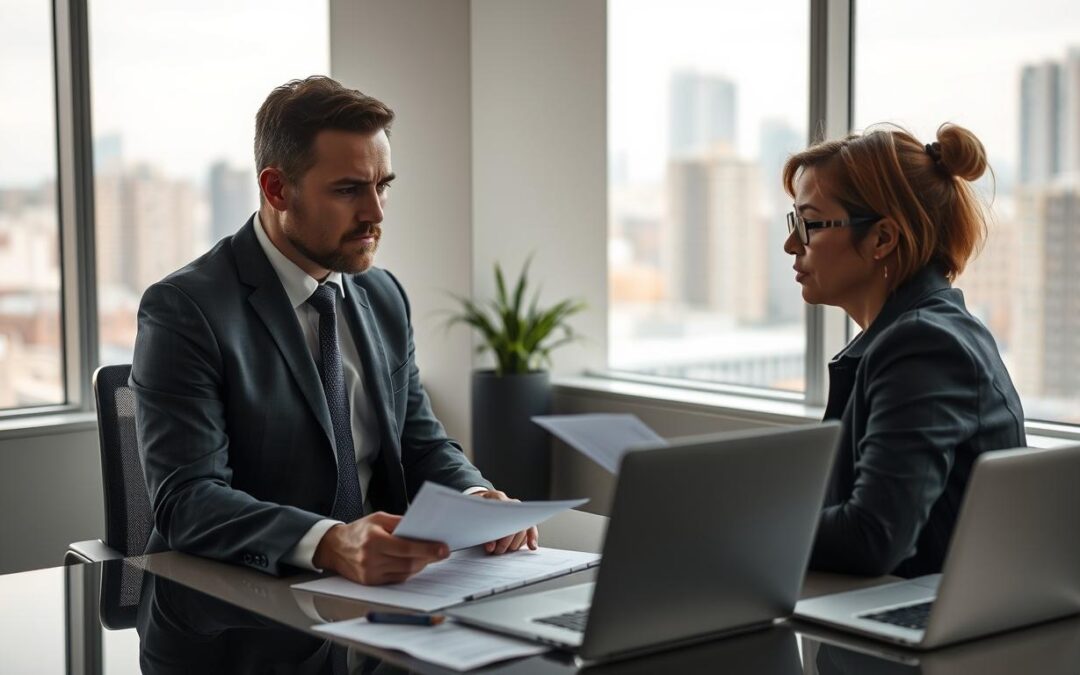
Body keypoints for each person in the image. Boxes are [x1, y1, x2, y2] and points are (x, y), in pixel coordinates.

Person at [131, 76, 536, 586]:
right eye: (348, 190)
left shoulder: (382, 296)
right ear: (276, 188)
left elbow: (420, 443)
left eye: (382, 185)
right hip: (242, 611)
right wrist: (328, 543)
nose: (375, 213)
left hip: (382, 598)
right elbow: (187, 500)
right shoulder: (186, 310)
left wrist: (476, 500)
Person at [782, 122, 1026, 578]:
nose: (792, 244)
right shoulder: (915, 332)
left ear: (882, 239)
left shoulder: (923, 346)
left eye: (811, 224)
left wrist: (733, 529)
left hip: (925, 632)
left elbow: (871, 536)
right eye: (794, 221)